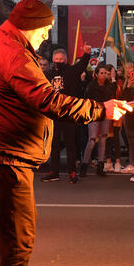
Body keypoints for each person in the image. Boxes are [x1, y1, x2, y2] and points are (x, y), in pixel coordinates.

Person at [0, 0, 129, 266]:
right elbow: (49, 101)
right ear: (32, 24)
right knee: (20, 236)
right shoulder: (13, 53)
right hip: (4, 155)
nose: (44, 37)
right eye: (43, 29)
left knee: (11, 228)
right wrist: (101, 109)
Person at [42, 46, 90, 183]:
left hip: (69, 112)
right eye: (56, 59)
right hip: (54, 113)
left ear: (66, 59)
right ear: (53, 59)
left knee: (70, 143)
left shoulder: (71, 71)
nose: (58, 61)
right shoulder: (48, 74)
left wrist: (87, 54)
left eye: (61, 59)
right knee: (54, 143)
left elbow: (82, 65)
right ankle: (54, 172)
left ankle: (72, 172)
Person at [80, 65, 114, 176]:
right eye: (102, 73)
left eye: (106, 73)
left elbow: (110, 97)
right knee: (92, 139)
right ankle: (84, 164)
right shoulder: (91, 86)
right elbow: (86, 99)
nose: (104, 75)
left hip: (105, 114)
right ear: (96, 74)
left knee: (103, 139)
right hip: (94, 114)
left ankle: (100, 166)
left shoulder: (108, 86)